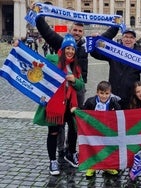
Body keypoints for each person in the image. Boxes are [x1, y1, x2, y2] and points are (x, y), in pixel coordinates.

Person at [35, 12, 88, 162]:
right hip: (56, 101)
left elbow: (81, 83)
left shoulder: (76, 64)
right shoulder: (52, 58)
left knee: (74, 127)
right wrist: (18, 47)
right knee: (55, 130)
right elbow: (35, 61)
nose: (70, 51)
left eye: (72, 49)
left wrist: (74, 81)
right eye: (68, 49)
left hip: (72, 101)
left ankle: (71, 152)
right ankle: (57, 156)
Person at [90, 27, 141, 109]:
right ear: (122, 39)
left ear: (135, 40)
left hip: (131, 98)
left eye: (131, 37)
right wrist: (96, 39)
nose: (128, 39)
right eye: (126, 37)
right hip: (114, 96)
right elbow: (95, 53)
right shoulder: (114, 52)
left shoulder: (140, 55)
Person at [82, 81, 121, 178]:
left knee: (106, 148)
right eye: (101, 93)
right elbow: (83, 112)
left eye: (107, 93)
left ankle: (106, 166)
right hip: (93, 130)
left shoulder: (113, 102)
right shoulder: (90, 101)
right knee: (93, 148)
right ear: (97, 92)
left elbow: (120, 113)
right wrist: (76, 110)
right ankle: (92, 167)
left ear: (110, 93)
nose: (104, 96)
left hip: (107, 130)